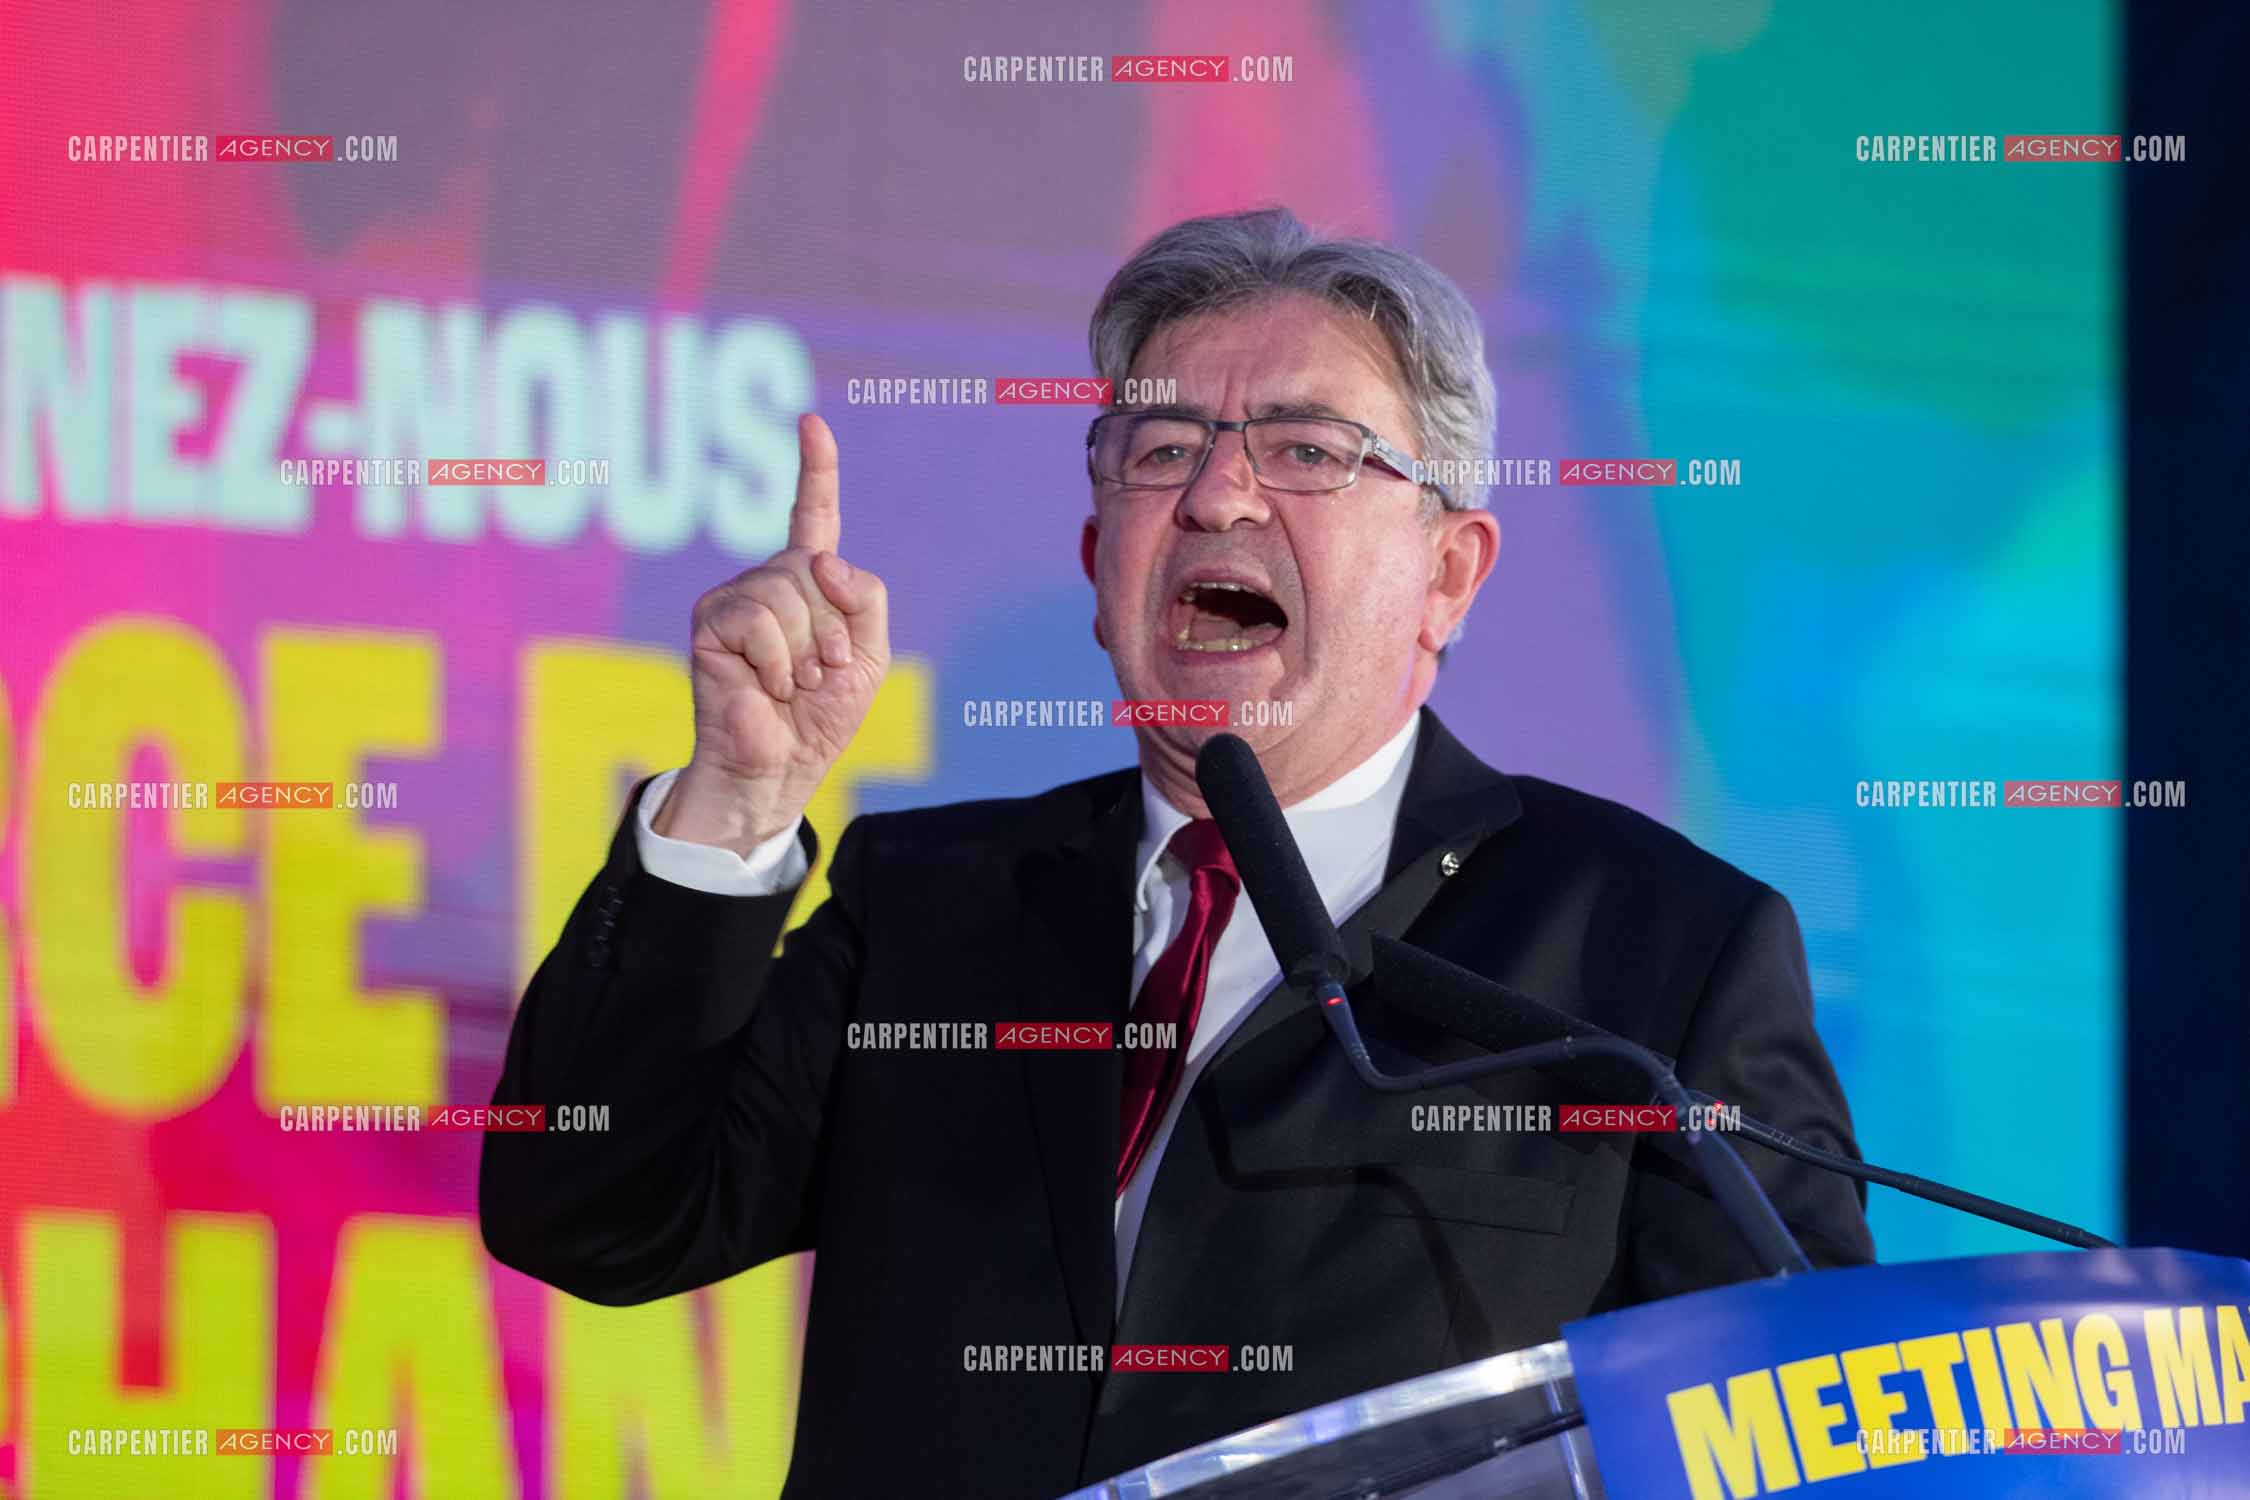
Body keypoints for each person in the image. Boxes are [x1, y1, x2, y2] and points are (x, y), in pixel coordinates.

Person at [480, 206, 1873, 1498]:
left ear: (1447, 573)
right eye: (1159, 450)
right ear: (1100, 560)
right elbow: (593, 1212)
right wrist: (734, 798)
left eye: (1307, 450)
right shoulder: (934, 902)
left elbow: (1797, 1431)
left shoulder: (1653, 953)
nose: (1214, 496)